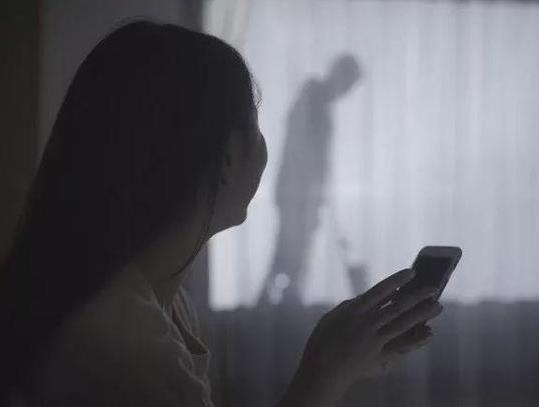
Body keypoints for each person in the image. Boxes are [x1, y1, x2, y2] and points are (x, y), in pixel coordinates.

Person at [0, 21, 443, 407]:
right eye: (256, 128)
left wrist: (340, 366)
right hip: (298, 204)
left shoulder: (153, 298)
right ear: (229, 156)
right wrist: (325, 375)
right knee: (288, 258)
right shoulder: (126, 349)